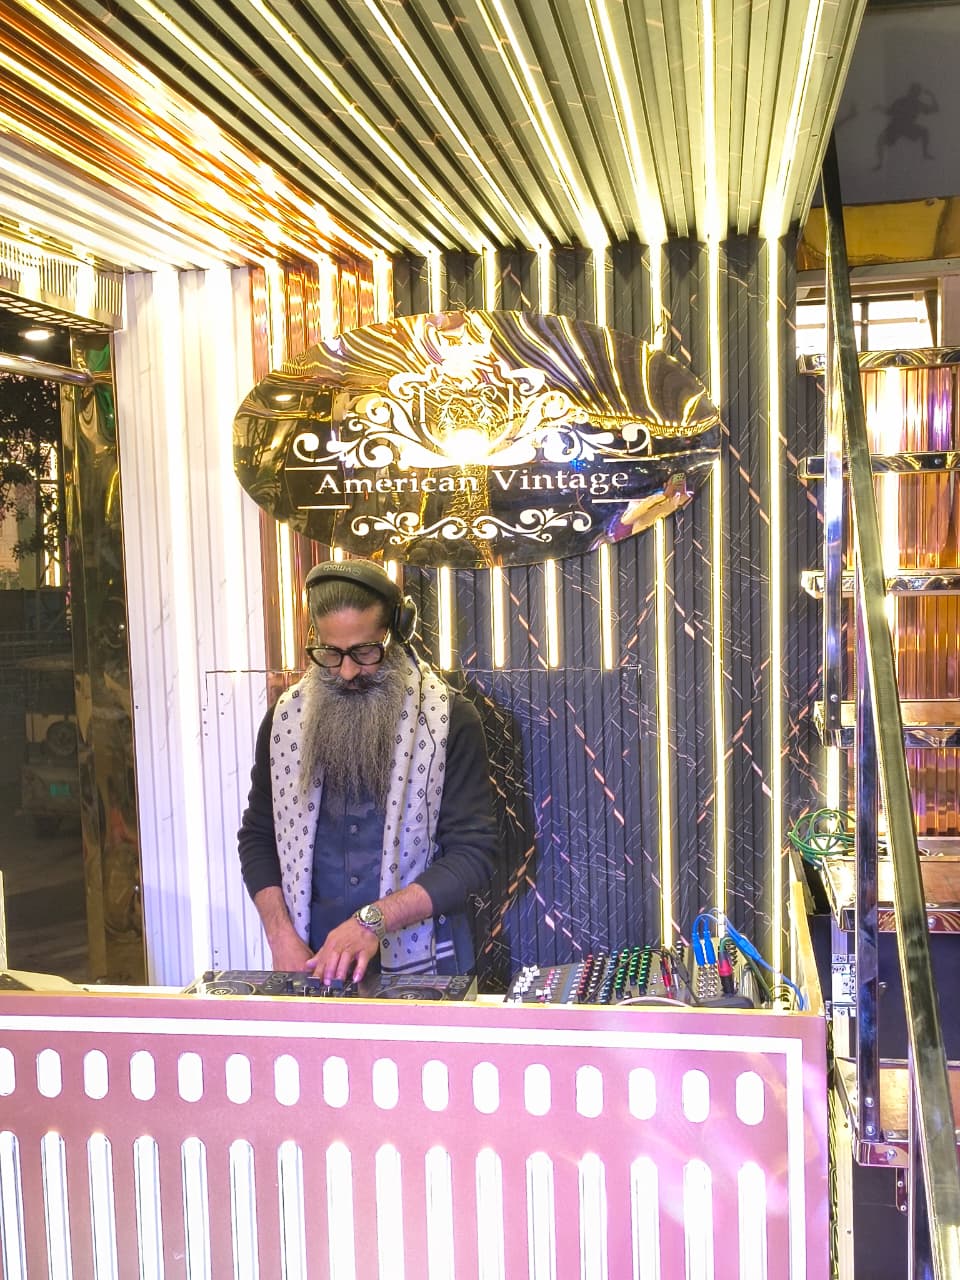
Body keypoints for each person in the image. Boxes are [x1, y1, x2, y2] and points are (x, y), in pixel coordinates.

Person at [238, 558, 498, 985]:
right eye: (331, 653)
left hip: (425, 966)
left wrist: (373, 921)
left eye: (364, 652)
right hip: (310, 962)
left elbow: (473, 854)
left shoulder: (450, 719)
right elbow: (257, 836)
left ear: (396, 633)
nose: (347, 672)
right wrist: (280, 935)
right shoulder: (284, 722)